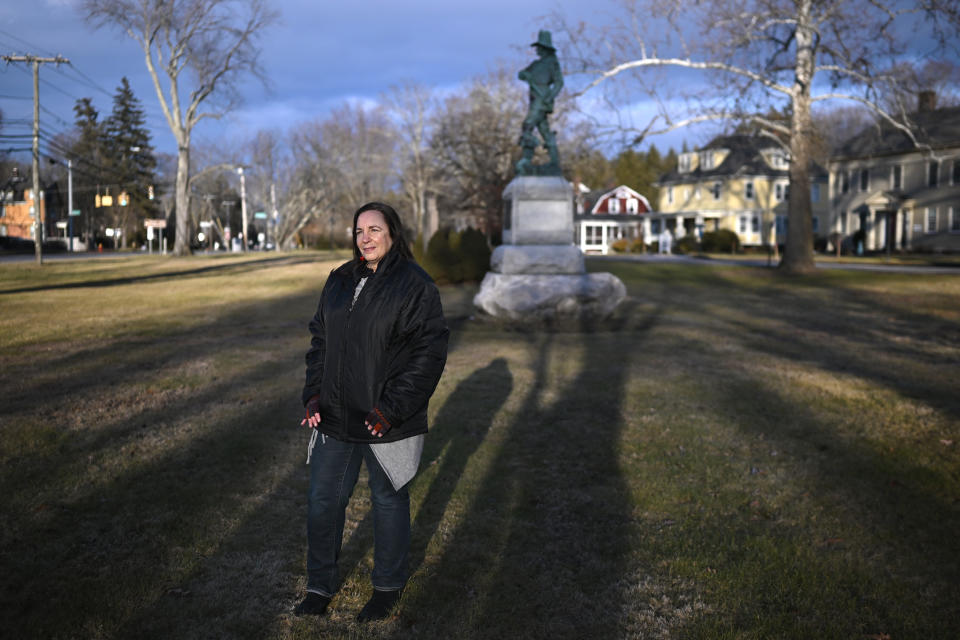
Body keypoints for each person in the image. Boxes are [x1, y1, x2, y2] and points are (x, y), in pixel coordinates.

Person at [294, 202, 449, 622]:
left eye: (375, 229)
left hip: (386, 421)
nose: (365, 237)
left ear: (392, 234)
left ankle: (387, 588)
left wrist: (392, 409)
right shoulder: (340, 280)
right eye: (359, 230)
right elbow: (320, 341)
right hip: (335, 417)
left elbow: (429, 353)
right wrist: (313, 396)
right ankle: (319, 586)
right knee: (323, 502)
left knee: (388, 501)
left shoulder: (414, 285)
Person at [516, 29, 564, 175]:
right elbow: (521, 74)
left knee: (528, 125)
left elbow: (559, 83)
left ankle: (526, 158)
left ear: (545, 48)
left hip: (542, 99)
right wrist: (525, 75)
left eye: (539, 47)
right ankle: (554, 159)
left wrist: (550, 97)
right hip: (534, 98)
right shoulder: (536, 64)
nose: (537, 50)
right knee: (544, 130)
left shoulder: (552, 64)